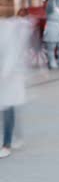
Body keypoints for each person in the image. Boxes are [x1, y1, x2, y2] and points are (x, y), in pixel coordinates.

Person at [0, 17, 31, 158]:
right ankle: (16, 137)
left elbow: (11, 54)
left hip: (9, 77)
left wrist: (5, 74)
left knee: (8, 108)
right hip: (7, 76)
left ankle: (6, 144)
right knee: (8, 108)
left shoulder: (7, 28)